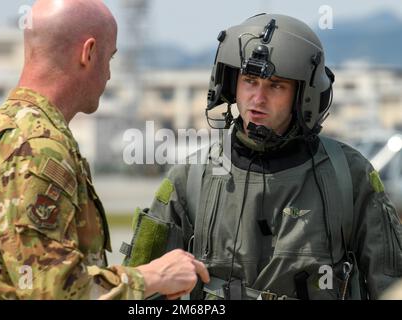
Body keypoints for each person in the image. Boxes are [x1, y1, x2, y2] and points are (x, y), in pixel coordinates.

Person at [122, 13, 402, 299]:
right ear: (232, 84)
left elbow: (392, 285)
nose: (257, 98)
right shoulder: (191, 178)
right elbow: (140, 290)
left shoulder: (349, 176)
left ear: (304, 96)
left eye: (276, 86)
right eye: (250, 81)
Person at [0, 0, 209, 300]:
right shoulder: (37, 148)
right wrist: (154, 277)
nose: (109, 75)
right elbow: (55, 292)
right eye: (109, 59)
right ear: (87, 53)